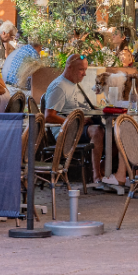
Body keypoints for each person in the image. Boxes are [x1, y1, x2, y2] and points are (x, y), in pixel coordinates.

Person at [43, 54, 115, 185]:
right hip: (65, 131)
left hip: (79, 125)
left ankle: (104, 169)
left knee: (116, 134)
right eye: (81, 70)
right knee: (97, 131)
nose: (85, 74)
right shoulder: (59, 87)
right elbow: (48, 116)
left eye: (85, 69)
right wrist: (76, 122)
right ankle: (96, 176)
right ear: (69, 68)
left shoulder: (74, 84)